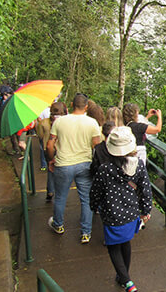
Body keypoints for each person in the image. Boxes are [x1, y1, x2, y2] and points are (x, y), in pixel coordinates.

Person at [90, 126, 152, 292]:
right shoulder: (138, 165)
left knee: (113, 246)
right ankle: (123, 276)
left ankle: (127, 281)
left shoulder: (105, 169)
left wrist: (93, 205)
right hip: (132, 213)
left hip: (111, 214)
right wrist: (146, 210)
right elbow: (146, 189)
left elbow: (95, 191)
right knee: (125, 242)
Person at [46, 93, 101, 244]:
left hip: (63, 164)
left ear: (71, 105)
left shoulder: (60, 122)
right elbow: (96, 144)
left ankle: (58, 225)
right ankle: (85, 233)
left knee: (60, 197)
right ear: (86, 107)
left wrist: (51, 159)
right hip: (84, 163)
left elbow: (50, 144)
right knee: (86, 199)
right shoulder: (92, 123)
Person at [36, 102, 68, 202]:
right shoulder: (66, 121)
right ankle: (61, 191)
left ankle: (50, 191)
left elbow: (40, 136)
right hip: (62, 148)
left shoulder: (44, 122)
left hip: (48, 149)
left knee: (50, 170)